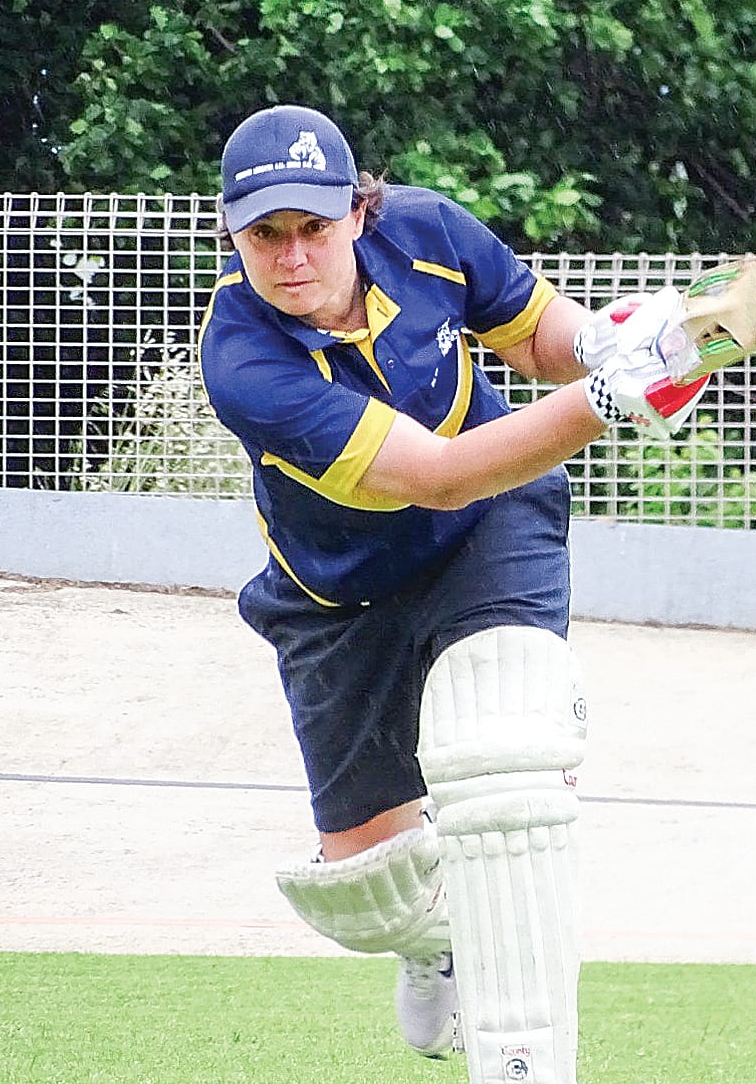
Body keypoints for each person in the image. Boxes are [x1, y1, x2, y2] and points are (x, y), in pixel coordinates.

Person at [197, 104, 709, 1084]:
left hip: (491, 530)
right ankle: (436, 942)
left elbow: (534, 339)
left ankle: (521, 1060)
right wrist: (612, 400)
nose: (293, 255)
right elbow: (436, 474)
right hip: (338, 599)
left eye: (313, 226)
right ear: (234, 234)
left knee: (507, 759)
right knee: (370, 882)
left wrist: (607, 342)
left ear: (358, 211)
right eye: (266, 233)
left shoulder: (425, 231)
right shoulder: (244, 362)